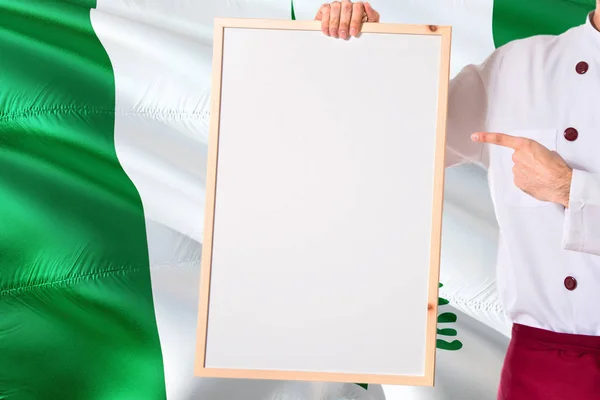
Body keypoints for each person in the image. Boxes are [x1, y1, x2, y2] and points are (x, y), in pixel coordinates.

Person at [314, 2, 600, 399]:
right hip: (538, 370)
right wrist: (367, 49)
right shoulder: (514, 67)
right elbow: (400, 142)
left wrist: (571, 190)